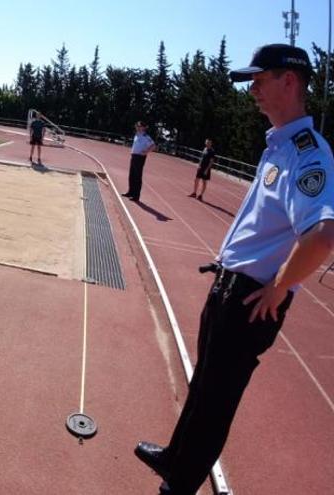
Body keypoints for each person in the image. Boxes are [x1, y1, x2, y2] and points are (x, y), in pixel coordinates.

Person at [135, 44, 334, 495]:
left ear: (290, 81)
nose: (253, 92)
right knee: (204, 381)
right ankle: (176, 456)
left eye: (260, 81)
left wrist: (280, 288)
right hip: (229, 286)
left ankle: (180, 485)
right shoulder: (280, 145)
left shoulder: (308, 154)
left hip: (251, 298)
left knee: (216, 400)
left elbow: (322, 236)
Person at [121, 121, 156, 202]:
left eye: (139, 126)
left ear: (143, 127)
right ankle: (130, 192)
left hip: (140, 157)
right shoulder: (136, 135)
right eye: (137, 126)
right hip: (134, 156)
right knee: (132, 175)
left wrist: (146, 151)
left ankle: (136, 196)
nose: (137, 127)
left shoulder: (146, 136)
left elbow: (153, 145)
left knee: (137, 176)